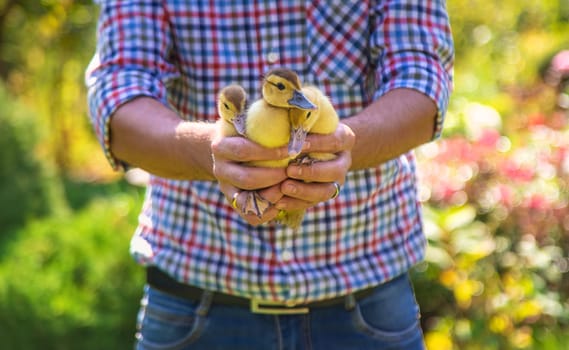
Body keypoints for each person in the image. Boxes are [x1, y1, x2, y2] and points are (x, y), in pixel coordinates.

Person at [86, 1, 453, 349]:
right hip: (195, 296)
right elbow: (120, 88)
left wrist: (345, 145)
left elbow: (421, 76)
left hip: (368, 293)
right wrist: (211, 151)